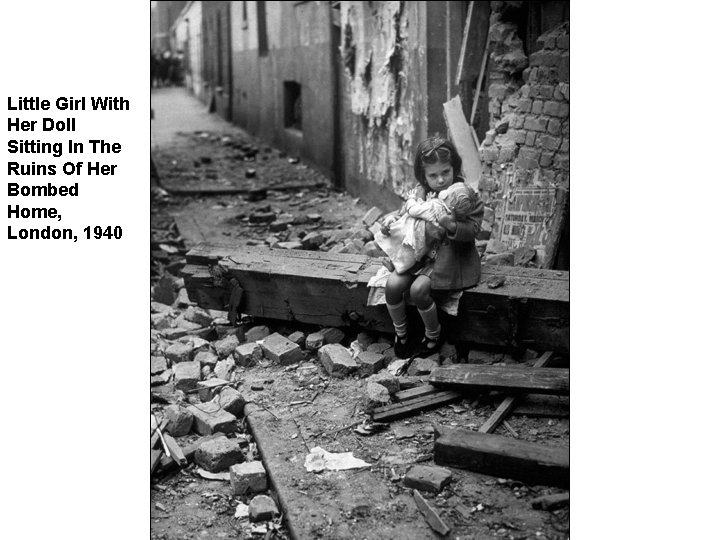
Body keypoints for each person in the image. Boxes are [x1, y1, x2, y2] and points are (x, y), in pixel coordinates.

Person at [381, 136, 484, 359]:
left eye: (445, 172)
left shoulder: (465, 195)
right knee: (392, 286)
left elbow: (474, 228)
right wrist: (390, 222)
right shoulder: (419, 193)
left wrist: (452, 225)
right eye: (433, 175)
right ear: (423, 175)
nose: (440, 180)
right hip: (418, 255)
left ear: (454, 167)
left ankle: (433, 334)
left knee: (419, 291)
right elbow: (405, 214)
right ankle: (402, 332)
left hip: (449, 259)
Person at [376, 180, 477, 274]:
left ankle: (391, 262)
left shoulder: (434, 207)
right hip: (425, 244)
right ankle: (398, 265)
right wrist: (430, 201)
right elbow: (429, 215)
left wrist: (411, 198)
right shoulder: (448, 216)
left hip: (412, 234)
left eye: (449, 192)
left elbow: (413, 210)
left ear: (450, 201)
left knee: (396, 244)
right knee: (409, 257)